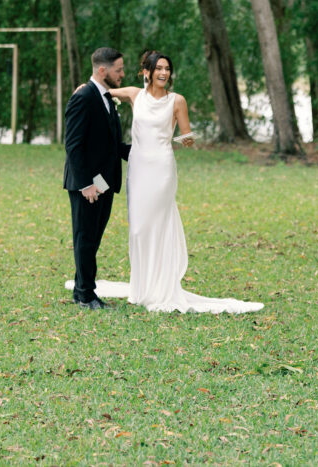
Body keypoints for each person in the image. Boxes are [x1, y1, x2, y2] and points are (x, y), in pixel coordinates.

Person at [67, 50, 263, 314]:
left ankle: (159, 286)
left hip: (161, 167)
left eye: (167, 69)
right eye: (158, 68)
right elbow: (101, 93)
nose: (163, 73)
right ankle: (137, 286)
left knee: (157, 224)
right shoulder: (133, 94)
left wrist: (179, 141)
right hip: (136, 169)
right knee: (137, 229)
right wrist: (82, 88)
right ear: (146, 71)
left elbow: (186, 136)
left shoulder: (177, 100)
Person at [63, 48, 132, 310]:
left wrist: (147, 152)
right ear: (102, 70)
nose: (122, 74)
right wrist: (85, 184)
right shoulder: (84, 96)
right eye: (119, 70)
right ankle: (85, 295)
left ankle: (83, 290)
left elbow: (112, 146)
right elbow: (73, 145)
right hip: (88, 185)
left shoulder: (106, 97)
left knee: (93, 238)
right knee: (85, 237)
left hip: (105, 182)